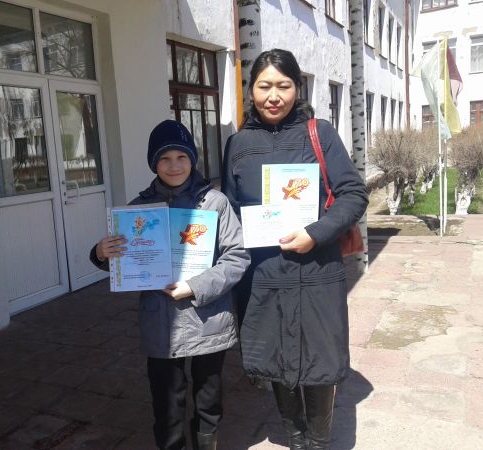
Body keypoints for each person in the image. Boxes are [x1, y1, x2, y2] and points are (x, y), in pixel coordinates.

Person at [221, 49, 368, 450]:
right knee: (275, 361)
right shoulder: (238, 143)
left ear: (296, 88)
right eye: (264, 86)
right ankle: (295, 437)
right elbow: (230, 209)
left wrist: (315, 233)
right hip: (263, 274)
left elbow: (353, 195)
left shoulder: (320, 133)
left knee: (319, 364)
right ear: (251, 91)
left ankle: (317, 442)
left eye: (283, 86)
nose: (274, 96)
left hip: (316, 271)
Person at [89, 119, 250, 450]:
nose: (174, 165)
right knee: (166, 404)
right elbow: (125, 262)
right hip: (161, 324)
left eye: (181, 156)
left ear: (193, 159)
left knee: (208, 401)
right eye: (164, 158)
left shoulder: (215, 203)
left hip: (208, 320)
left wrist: (195, 286)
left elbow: (237, 257)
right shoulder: (138, 210)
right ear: (153, 163)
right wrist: (102, 254)